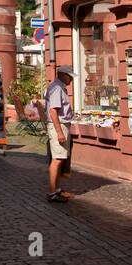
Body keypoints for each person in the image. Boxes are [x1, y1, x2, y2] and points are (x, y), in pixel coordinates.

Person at [46, 66, 76, 202]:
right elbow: (53, 111)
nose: (71, 79)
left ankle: (57, 189)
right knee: (57, 159)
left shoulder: (58, 87)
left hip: (61, 125)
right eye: (69, 76)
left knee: (60, 158)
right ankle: (53, 192)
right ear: (63, 75)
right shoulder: (57, 89)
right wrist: (59, 132)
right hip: (59, 126)